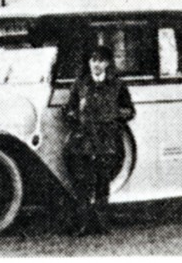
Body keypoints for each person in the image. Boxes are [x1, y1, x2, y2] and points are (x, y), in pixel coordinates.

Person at [62, 45, 136, 234]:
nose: (96, 64)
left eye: (100, 60)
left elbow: (130, 111)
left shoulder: (117, 85)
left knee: (103, 183)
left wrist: (112, 115)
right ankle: (83, 225)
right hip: (83, 141)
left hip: (106, 141)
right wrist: (76, 116)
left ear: (107, 63)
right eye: (93, 60)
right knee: (83, 184)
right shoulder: (80, 84)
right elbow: (68, 109)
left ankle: (102, 225)